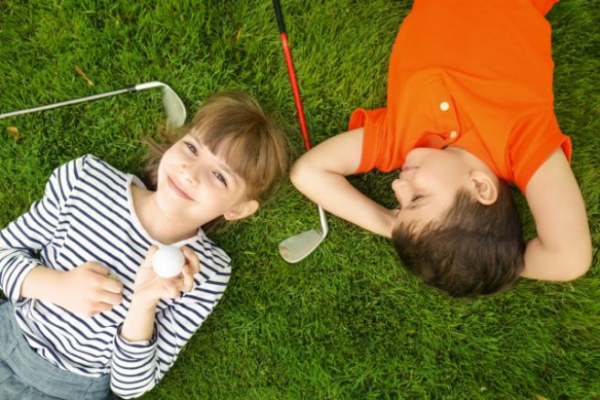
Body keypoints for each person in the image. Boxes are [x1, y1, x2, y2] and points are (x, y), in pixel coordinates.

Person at [290, 0, 591, 296]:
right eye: (417, 198)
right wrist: (489, 256)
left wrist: (389, 224)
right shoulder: (523, 145)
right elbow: (569, 259)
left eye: (398, 205)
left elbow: (308, 173)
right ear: (480, 187)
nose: (397, 186)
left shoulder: (401, 141)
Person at [0, 91, 289, 399]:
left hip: (68, 390)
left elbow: (130, 386)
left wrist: (144, 302)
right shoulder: (86, 180)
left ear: (238, 209)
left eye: (219, 175)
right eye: (192, 148)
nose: (190, 172)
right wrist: (59, 287)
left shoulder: (206, 273)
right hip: (9, 332)